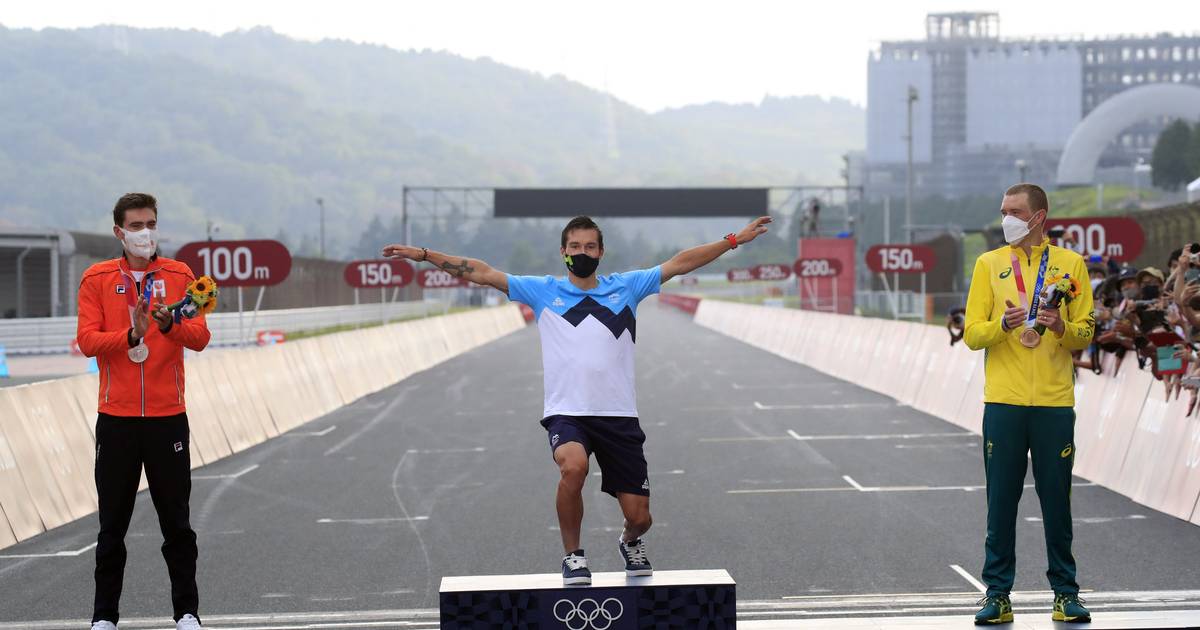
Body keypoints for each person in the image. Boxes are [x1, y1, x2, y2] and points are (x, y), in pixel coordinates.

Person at [382, 214, 771, 585]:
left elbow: (680, 263)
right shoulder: (542, 291)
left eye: (589, 246)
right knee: (573, 467)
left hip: (618, 416)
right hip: (567, 413)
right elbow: (481, 272)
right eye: (574, 246)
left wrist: (734, 240)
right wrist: (424, 255)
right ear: (563, 252)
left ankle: (630, 541)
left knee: (641, 516)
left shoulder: (627, 287)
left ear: (601, 252)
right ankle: (574, 555)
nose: (581, 252)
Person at [77, 193, 211, 630]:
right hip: (115, 419)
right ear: (119, 232)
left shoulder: (179, 275)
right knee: (112, 525)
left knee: (177, 523)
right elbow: (88, 342)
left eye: (150, 223)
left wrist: (168, 324)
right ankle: (103, 617)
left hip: (167, 416)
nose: (144, 233)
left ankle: (187, 613)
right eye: (135, 226)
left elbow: (200, 336)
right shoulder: (97, 279)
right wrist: (131, 336)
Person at [962, 184, 1095, 625]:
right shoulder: (989, 264)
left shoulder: (1070, 265)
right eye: (1003, 211)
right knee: (1002, 502)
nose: (1006, 220)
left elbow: (1086, 332)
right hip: (1004, 403)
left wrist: (1060, 326)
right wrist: (1000, 324)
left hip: (1055, 403)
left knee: (1057, 501)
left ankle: (1065, 593)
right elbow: (971, 334)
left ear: (1038, 216)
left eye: (1014, 211)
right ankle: (997, 595)